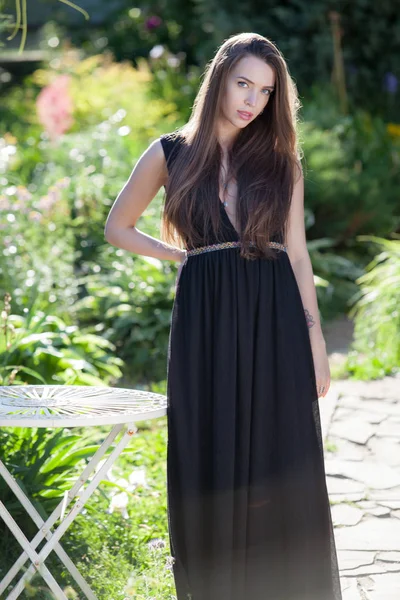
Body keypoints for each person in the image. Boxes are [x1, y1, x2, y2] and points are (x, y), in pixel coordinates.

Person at [105, 31, 342, 600]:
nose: (252, 100)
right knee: (210, 442)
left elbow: (299, 253)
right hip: (206, 320)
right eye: (244, 83)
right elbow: (117, 226)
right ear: (220, 79)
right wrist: (182, 256)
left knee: (278, 450)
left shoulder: (281, 161)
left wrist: (315, 345)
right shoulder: (171, 152)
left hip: (275, 314)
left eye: (265, 91)